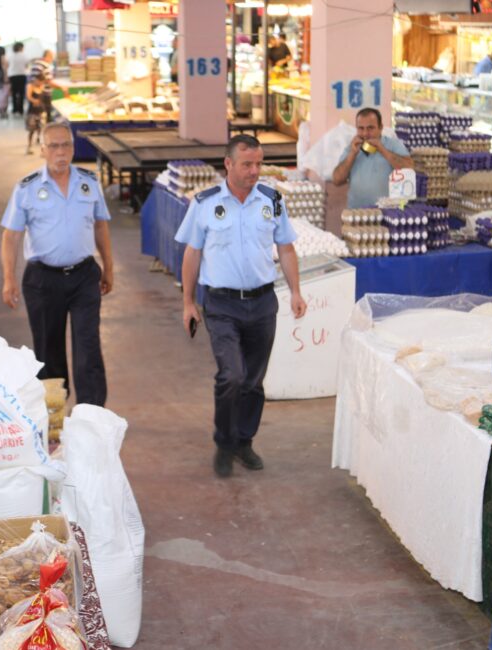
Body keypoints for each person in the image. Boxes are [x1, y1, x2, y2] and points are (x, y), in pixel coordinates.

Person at [175, 134, 307, 478]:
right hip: (221, 303)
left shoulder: (272, 200)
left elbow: (286, 248)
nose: (254, 171)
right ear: (228, 164)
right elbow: (192, 253)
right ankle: (224, 442)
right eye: (247, 164)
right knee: (231, 375)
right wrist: (188, 302)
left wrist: (295, 291)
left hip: (263, 302)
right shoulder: (204, 203)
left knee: (253, 380)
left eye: (259, 164)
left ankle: (244, 442)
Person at [0, 123, 114, 407]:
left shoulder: (89, 182)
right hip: (42, 280)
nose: (60, 152)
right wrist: (8, 278)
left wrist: (108, 266)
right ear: (42, 150)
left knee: (88, 348)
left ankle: (92, 415)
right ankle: (55, 416)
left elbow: (100, 226)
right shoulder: (26, 188)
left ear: (73, 149)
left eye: (66, 145)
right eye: (53, 146)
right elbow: (11, 236)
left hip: (84, 276)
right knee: (48, 352)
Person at [331, 108, 414, 209]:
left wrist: (382, 149)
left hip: (386, 214)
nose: (365, 133)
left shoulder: (393, 144)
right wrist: (352, 154)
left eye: (370, 128)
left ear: (381, 128)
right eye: (361, 128)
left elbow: (409, 168)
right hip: (356, 214)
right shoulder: (352, 147)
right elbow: (337, 180)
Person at [24, 76, 46, 153]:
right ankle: (29, 146)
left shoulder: (42, 87)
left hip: (40, 111)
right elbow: (28, 96)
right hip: (32, 112)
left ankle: (39, 140)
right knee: (31, 130)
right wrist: (35, 101)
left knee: (40, 128)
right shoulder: (30, 86)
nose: (40, 83)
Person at [7, 42, 29, 115]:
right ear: (20, 47)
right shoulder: (24, 55)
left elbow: (7, 65)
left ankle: (14, 109)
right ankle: (21, 109)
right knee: (21, 93)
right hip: (22, 75)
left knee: (14, 93)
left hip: (12, 76)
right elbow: (26, 65)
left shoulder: (11, 56)